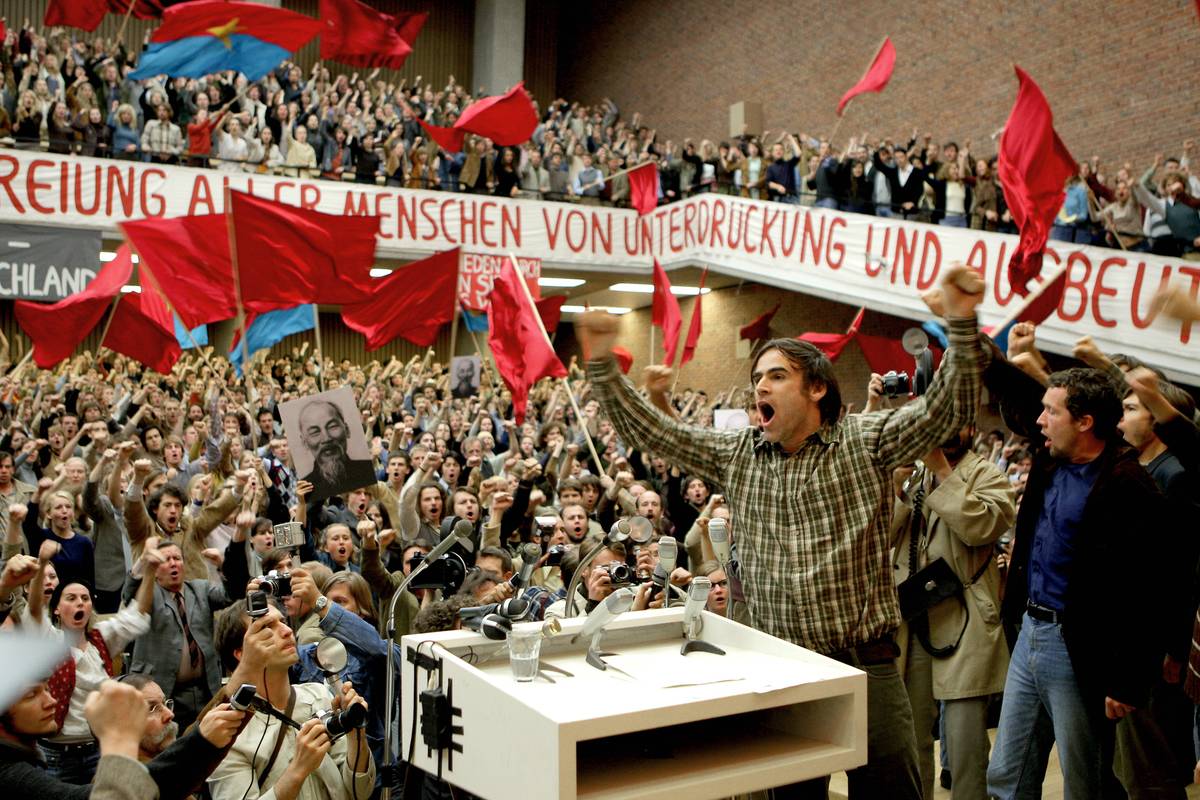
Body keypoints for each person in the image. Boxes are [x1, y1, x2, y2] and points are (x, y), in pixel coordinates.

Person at [574, 263, 986, 800]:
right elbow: (653, 431)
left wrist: (960, 324)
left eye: (775, 375)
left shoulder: (866, 441)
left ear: (817, 388)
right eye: (756, 379)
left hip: (867, 666)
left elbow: (946, 410)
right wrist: (603, 365)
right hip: (782, 669)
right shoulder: (739, 453)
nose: (759, 386)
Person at [984, 363, 1169, 800]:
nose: (1039, 421)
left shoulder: (1129, 487)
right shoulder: (1051, 461)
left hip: (1079, 646)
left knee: (1085, 781)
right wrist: (970, 334)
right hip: (1030, 632)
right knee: (1007, 773)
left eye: (1052, 412)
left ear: (1085, 423)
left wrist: (1128, 681)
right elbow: (1016, 391)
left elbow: (1149, 592)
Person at [888, 424, 1015, 800]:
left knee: (964, 744)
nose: (945, 431)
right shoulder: (917, 477)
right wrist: (896, 487)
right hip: (915, 623)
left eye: (955, 423)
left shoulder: (988, 474)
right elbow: (887, 536)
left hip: (966, 621)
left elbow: (983, 526)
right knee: (911, 739)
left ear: (972, 428)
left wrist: (943, 471)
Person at [206, 605, 375, 800]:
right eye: (267, 628)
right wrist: (299, 769)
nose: (287, 631)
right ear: (242, 654)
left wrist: (357, 736)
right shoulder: (227, 732)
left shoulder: (318, 696)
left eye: (283, 622)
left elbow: (360, 792)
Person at [293, 400, 376, 502]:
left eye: (332, 427)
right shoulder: (306, 489)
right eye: (315, 432)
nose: (326, 438)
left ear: (346, 430)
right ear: (305, 442)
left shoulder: (366, 471)